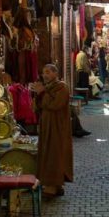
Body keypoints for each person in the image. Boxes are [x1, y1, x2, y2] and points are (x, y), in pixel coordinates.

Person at [31, 64, 73, 198]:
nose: (45, 75)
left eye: (48, 72)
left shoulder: (62, 87)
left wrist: (42, 93)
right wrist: (38, 96)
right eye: (44, 72)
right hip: (46, 125)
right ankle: (54, 184)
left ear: (55, 73)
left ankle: (52, 186)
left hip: (57, 127)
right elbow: (39, 107)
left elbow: (55, 105)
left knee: (54, 153)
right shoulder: (47, 88)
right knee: (47, 152)